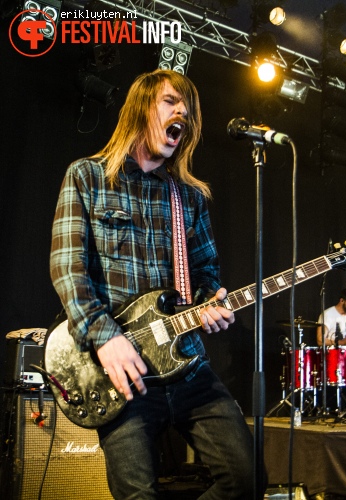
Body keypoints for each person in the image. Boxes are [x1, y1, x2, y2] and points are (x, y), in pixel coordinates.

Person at [50, 69, 256, 499]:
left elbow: (205, 274)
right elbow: (68, 269)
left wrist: (208, 305)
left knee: (246, 479)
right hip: (119, 373)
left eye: (188, 109)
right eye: (170, 102)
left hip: (187, 366)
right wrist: (106, 338)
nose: (182, 112)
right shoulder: (87, 177)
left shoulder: (189, 197)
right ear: (140, 109)